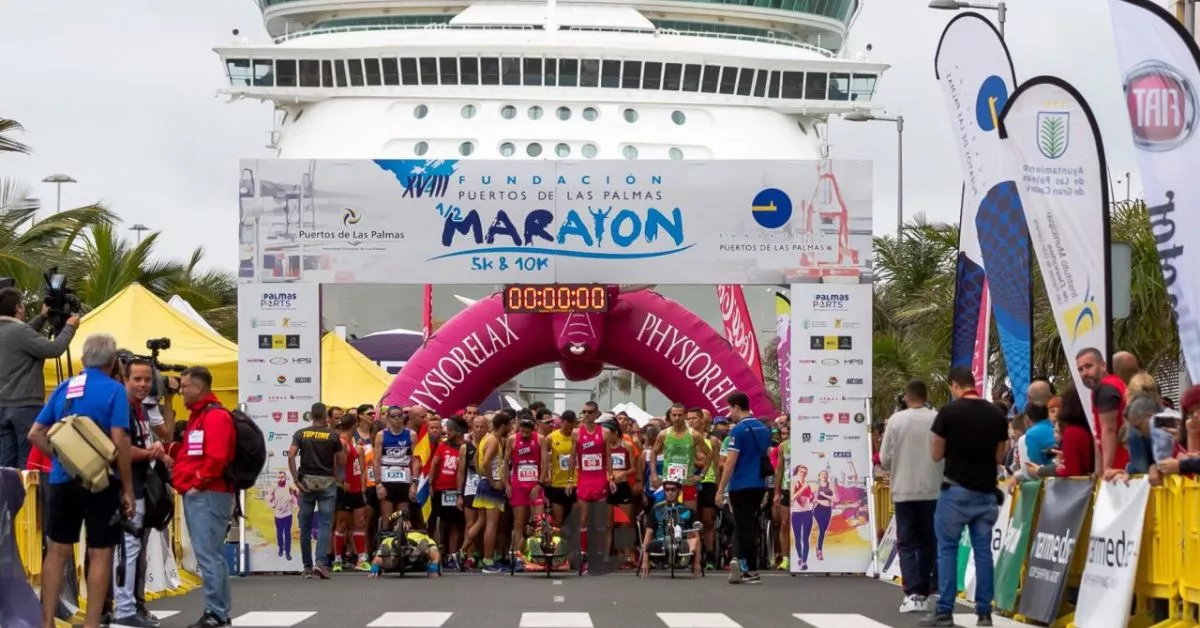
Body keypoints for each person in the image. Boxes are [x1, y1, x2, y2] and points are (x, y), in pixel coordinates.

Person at [26, 334, 134, 628]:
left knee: (57, 550)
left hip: (63, 479)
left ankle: (46, 621)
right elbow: (119, 441)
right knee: (100, 553)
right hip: (101, 482)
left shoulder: (65, 388)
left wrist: (63, 457)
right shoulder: (115, 391)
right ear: (113, 362)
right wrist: (127, 488)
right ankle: (91, 624)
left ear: (84, 359)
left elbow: (35, 433)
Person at [921, 367, 1008, 628]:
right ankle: (984, 613)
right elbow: (999, 458)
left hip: (955, 491)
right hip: (985, 493)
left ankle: (945, 610)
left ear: (955, 386)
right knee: (983, 552)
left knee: (947, 549)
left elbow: (936, 454)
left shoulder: (948, 413)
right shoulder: (996, 414)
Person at [172, 367, 236, 628]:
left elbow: (216, 457)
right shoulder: (202, 416)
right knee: (211, 555)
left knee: (209, 556)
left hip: (209, 493)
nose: (181, 390)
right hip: (204, 492)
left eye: (185, 386)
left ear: (199, 388)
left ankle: (217, 612)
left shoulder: (214, 417)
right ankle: (218, 611)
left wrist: (197, 483)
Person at [107, 358, 168, 628]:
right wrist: (150, 452)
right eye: (137, 379)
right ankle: (124, 609)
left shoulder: (140, 408)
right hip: (125, 486)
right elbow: (120, 448)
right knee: (126, 550)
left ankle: (126, 607)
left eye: (147, 380)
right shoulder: (123, 408)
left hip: (139, 485)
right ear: (125, 379)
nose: (143, 385)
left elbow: (162, 433)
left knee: (131, 550)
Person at [879, 379, 942, 613]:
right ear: (926, 396)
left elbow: (884, 458)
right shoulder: (937, 418)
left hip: (904, 489)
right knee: (928, 540)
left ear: (906, 397)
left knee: (906, 542)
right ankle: (925, 591)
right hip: (931, 488)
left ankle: (912, 592)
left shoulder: (896, 420)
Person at [0, 288, 79, 468]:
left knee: (5, 461)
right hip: (24, 405)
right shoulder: (20, 333)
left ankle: (6, 495)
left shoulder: (12, 332)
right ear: (19, 308)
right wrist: (70, 327)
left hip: (2, 406)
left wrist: (43, 317)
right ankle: (26, 496)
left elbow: (21, 336)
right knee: (26, 460)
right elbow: (54, 349)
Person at [715, 391, 770, 585]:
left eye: (730, 409)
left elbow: (729, 462)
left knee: (743, 526)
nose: (730, 413)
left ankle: (750, 568)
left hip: (740, 485)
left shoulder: (737, 431)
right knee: (750, 525)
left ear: (737, 407)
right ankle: (738, 560)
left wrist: (721, 488)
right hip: (759, 484)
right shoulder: (764, 429)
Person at [288, 403, 345, 579]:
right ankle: (320, 563)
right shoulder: (333, 435)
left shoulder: (301, 433)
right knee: (324, 525)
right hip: (327, 482)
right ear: (325, 416)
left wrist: (296, 479)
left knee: (304, 526)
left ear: (311, 415)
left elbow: (291, 455)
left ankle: (306, 567)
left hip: (306, 482)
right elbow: (342, 460)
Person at [503, 415, 548, 571]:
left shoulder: (541, 439)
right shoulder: (512, 439)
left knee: (539, 522)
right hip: (518, 486)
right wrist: (506, 484)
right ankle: (517, 556)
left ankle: (539, 555)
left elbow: (545, 463)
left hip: (535, 485)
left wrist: (539, 484)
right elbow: (505, 463)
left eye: (527, 432)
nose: (524, 434)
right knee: (519, 523)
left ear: (533, 428)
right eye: (522, 431)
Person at [1076, 348, 1130, 472]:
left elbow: (1109, 430)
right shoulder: (1114, 384)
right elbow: (1099, 437)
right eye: (1080, 369)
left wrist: (1107, 468)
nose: (1084, 373)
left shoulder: (1106, 388)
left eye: (1089, 366)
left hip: (1120, 469)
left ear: (1103, 366)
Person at [332, 412, 370, 572]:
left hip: (355, 489)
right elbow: (334, 464)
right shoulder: (342, 443)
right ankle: (338, 560)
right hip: (346, 490)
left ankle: (361, 559)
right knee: (341, 525)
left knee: (360, 523)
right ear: (354, 426)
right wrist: (340, 482)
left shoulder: (351, 442)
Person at [475, 411, 512, 573]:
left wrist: (482, 476)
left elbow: (477, 458)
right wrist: (491, 480)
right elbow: (485, 461)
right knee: (491, 525)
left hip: (484, 483)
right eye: (510, 425)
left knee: (482, 523)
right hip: (491, 485)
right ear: (503, 426)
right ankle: (488, 561)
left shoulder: (485, 438)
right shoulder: (495, 440)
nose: (511, 428)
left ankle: (463, 553)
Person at [429, 416, 468, 569]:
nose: (447, 432)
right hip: (440, 489)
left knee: (454, 525)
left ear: (458, 432)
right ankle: (436, 553)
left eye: (450, 430)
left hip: (456, 490)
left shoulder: (466, 447)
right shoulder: (443, 446)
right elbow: (434, 465)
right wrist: (431, 485)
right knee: (438, 523)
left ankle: (452, 555)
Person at [367, 512, 441, 578]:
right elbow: (378, 557)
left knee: (426, 546)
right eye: (395, 524)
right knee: (385, 550)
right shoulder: (388, 539)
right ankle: (390, 560)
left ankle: (413, 554)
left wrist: (435, 562)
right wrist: (375, 566)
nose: (399, 524)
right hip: (394, 558)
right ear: (393, 527)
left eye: (402, 522)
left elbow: (433, 550)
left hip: (418, 558)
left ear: (409, 523)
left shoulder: (420, 535)